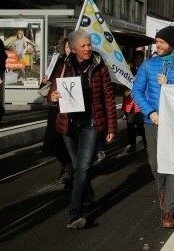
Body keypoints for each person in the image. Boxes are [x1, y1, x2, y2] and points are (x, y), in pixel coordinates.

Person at [49, 30, 117, 229]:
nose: (88, 48)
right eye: (83, 46)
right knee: (79, 168)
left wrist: (111, 126)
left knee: (84, 167)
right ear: (73, 48)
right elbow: (51, 93)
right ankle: (87, 199)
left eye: (89, 45)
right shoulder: (62, 66)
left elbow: (108, 98)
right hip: (68, 124)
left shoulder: (100, 67)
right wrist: (52, 97)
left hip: (91, 124)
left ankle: (74, 214)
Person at [132, 25, 174, 229]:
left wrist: (170, 86)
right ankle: (162, 190)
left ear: (172, 44)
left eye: (161, 42)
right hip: (153, 122)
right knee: (155, 164)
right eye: (157, 41)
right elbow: (137, 92)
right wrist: (151, 112)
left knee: (173, 165)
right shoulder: (148, 65)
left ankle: (169, 210)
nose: (157, 45)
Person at [41, 38, 73, 186]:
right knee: (55, 140)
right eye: (66, 46)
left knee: (67, 139)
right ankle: (65, 164)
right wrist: (45, 82)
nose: (68, 48)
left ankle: (68, 169)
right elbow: (50, 84)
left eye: (71, 46)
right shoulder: (57, 63)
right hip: (56, 106)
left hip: (70, 106)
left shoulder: (78, 64)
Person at [122, 50, 147, 154]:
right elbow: (123, 83)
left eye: (140, 58)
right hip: (130, 103)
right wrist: (124, 91)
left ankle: (147, 144)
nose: (138, 60)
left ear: (143, 59)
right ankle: (132, 145)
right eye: (136, 58)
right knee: (130, 125)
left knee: (141, 125)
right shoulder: (128, 71)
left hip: (140, 102)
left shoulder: (145, 70)